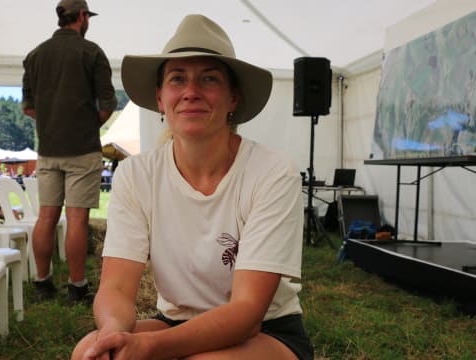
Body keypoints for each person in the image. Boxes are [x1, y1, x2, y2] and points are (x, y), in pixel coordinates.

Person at [72, 14, 313, 360]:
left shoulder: (272, 172)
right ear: (160, 97)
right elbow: (117, 288)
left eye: (209, 79)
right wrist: (112, 334)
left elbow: (247, 314)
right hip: (175, 322)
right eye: (177, 79)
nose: (190, 92)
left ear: (233, 99)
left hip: (268, 330)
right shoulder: (136, 175)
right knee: (87, 352)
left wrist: (147, 347)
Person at [21, 0, 117, 304]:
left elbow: (28, 106)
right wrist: (86, 123)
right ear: (83, 16)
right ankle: (77, 288)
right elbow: (108, 104)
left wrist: (51, 121)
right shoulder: (92, 52)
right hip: (82, 148)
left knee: (46, 216)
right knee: (77, 219)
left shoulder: (35, 55)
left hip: (48, 148)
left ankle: (42, 283)